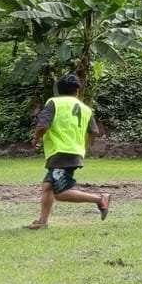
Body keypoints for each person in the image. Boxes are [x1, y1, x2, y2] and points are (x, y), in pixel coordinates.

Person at [27, 73, 110, 229]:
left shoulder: (54, 102)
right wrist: (83, 147)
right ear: (77, 91)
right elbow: (94, 131)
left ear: (58, 90)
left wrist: (36, 139)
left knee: (60, 192)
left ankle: (100, 199)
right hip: (73, 152)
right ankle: (42, 222)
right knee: (48, 186)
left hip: (61, 153)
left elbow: (43, 125)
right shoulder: (86, 109)